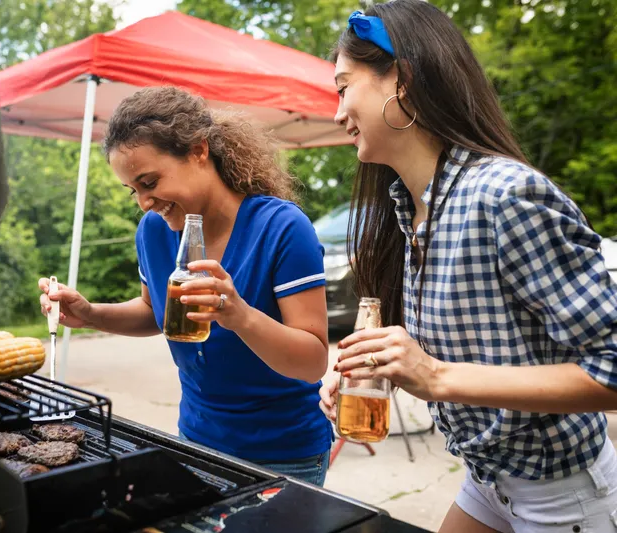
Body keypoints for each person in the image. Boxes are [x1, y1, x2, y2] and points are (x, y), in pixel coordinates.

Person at [318, 1, 617, 531]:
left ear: (402, 80)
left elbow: (611, 367)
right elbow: (466, 360)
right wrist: (387, 372)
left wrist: (435, 375)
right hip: (486, 480)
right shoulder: (406, 211)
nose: (337, 111)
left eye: (344, 87)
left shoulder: (504, 195)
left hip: (562, 495)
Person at [39, 86, 333, 486]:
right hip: (196, 441)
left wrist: (240, 315)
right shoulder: (154, 231)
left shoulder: (281, 228)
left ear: (198, 150)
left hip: (283, 455)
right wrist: (91, 314)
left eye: (150, 181)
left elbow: (313, 360)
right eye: (134, 191)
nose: (144, 202)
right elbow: (154, 312)